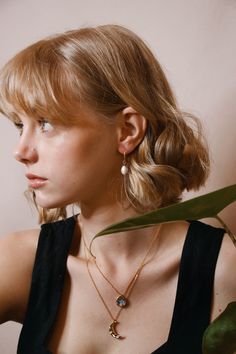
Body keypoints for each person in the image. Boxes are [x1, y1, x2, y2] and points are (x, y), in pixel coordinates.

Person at [0, 24, 235, 354]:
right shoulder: (17, 261)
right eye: (19, 125)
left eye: (46, 123)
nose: (21, 151)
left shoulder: (224, 268)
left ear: (127, 130)